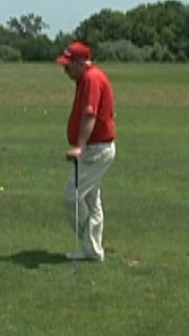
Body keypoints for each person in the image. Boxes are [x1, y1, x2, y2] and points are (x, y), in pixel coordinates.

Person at [56, 41, 116, 262]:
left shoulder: (91, 79)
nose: (65, 70)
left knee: (71, 198)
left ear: (81, 63)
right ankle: (93, 250)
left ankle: (88, 243)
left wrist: (79, 147)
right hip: (97, 148)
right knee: (92, 201)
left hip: (95, 149)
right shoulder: (86, 78)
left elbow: (90, 115)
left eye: (68, 65)